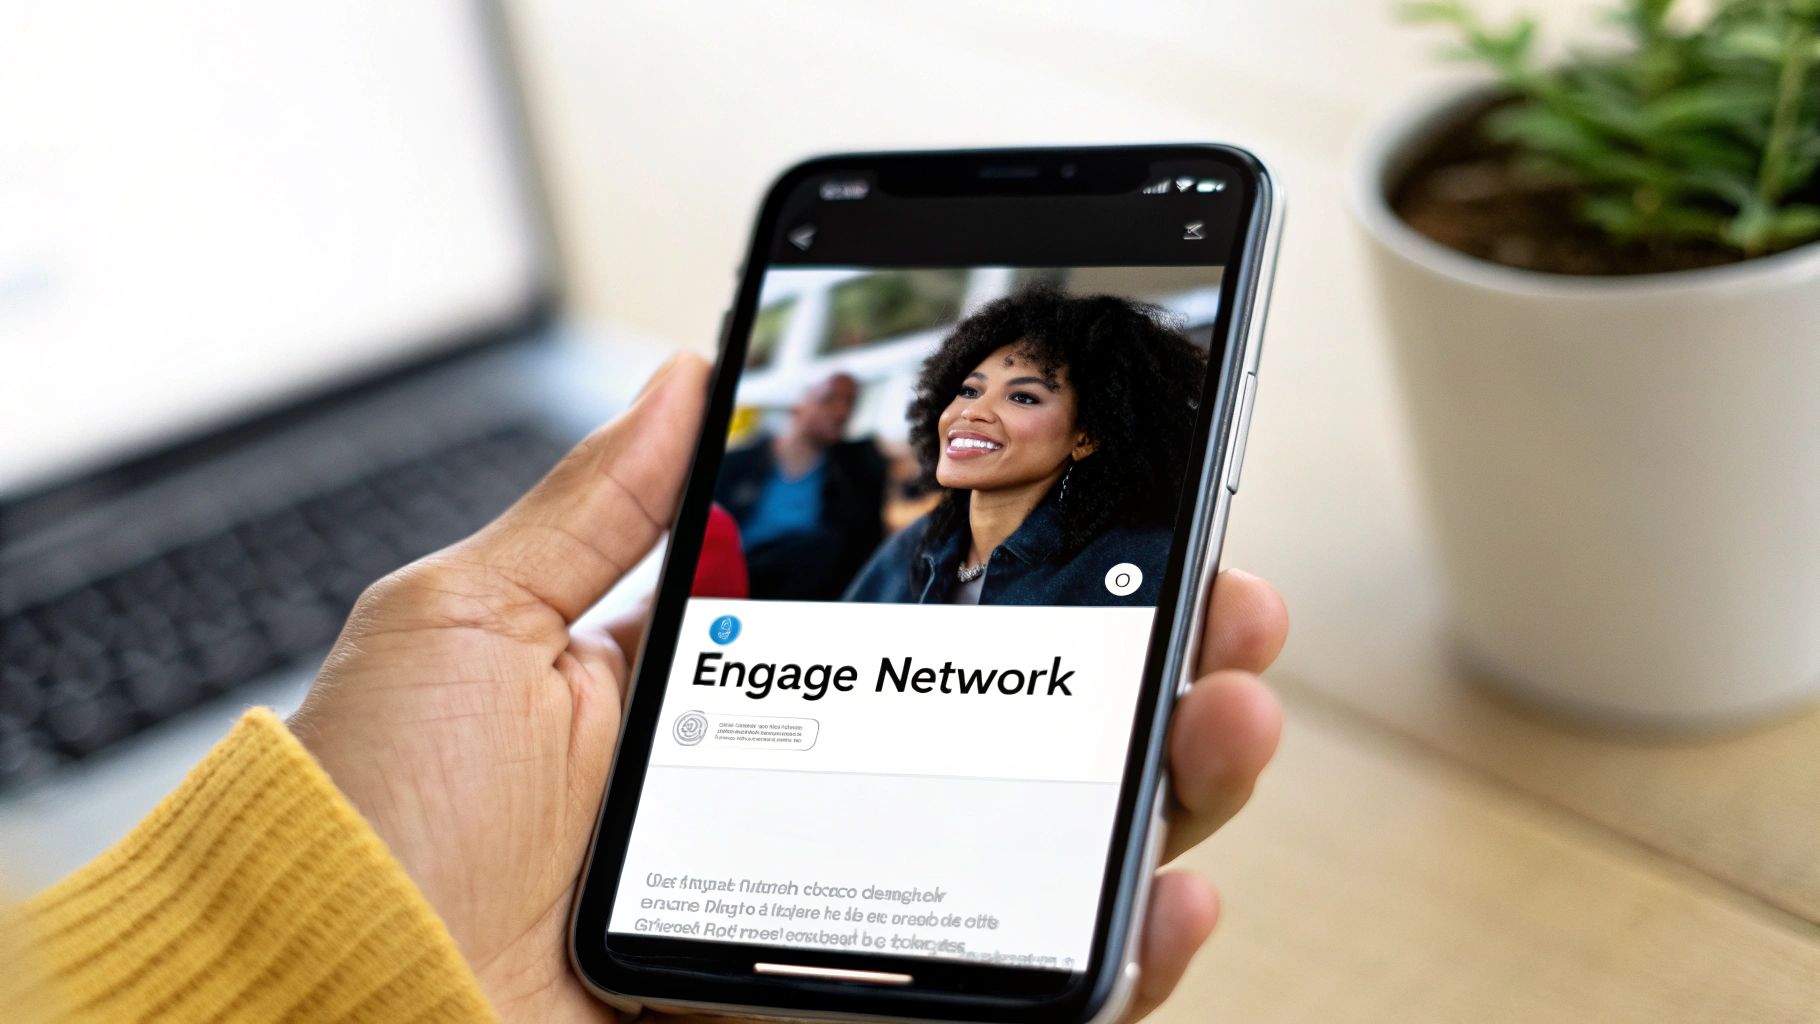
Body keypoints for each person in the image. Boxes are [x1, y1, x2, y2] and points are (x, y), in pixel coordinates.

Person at [4, 355, 1287, 1023]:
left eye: (1024, 392)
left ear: (1094, 430)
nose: (972, 408)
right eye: (965, 382)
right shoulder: (902, 552)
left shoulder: (1123, 566)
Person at [846, 288, 1205, 606]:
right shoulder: (917, 544)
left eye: (1022, 397)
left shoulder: (1142, 564)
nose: (972, 412)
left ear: (1087, 436)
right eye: (970, 390)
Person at [715, 372, 888, 599]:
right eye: (828, 400)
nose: (841, 412)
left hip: (806, 587)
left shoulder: (853, 471)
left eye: (849, 403)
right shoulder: (736, 463)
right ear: (797, 406)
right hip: (738, 573)